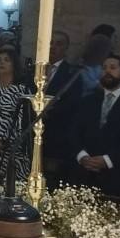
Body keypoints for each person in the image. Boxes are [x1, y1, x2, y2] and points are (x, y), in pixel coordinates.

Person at [67, 54, 120, 198]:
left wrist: (107, 160)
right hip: (85, 174)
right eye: (104, 68)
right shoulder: (88, 101)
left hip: (119, 175)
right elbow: (74, 132)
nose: (107, 71)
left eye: (113, 68)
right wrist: (82, 156)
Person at [0, 47, 31, 184]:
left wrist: (2, 142)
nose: (1, 63)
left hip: (10, 151)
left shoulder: (21, 91)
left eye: (7, 60)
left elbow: (20, 122)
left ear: (14, 64)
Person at [42, 29, 82, 187]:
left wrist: (46, 112)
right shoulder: (36, 69)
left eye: (58, 44)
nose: (53, 47)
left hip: (56, 135)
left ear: (66, 48)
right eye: (50, 43)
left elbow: (72, 104)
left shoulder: (72, 73)